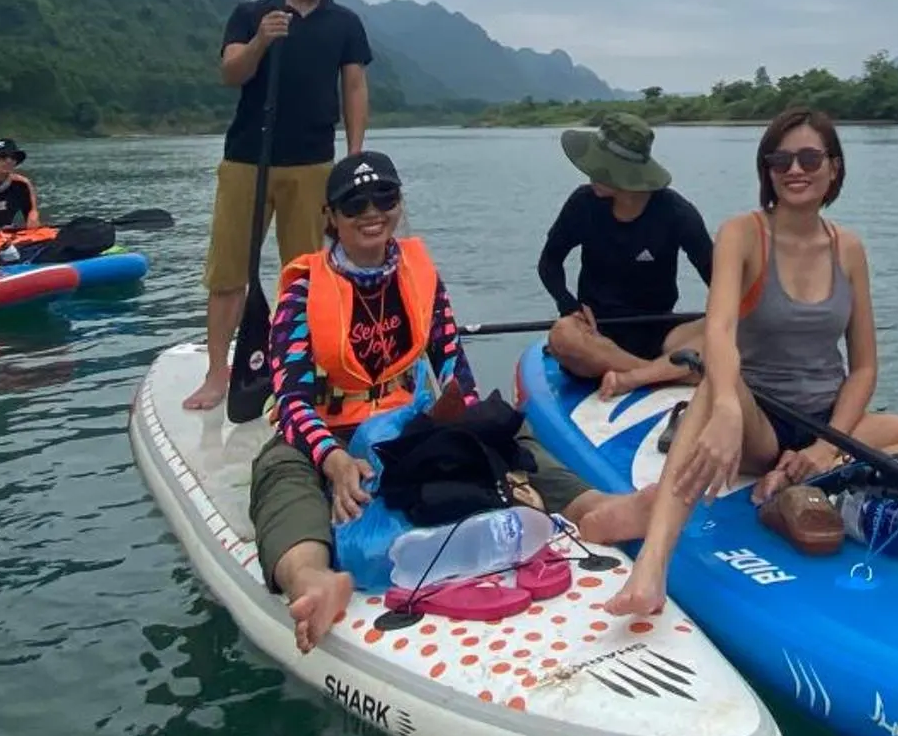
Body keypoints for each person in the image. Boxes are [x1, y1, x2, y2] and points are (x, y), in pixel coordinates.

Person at [603, 107, 898, 619]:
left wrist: (823, 447)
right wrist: (731, 406)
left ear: (834, 168)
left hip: (831, 423)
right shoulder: (743, 234)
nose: (794, 169)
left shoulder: (849, 249)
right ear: (767, 170)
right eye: (780, 159)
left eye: (809, 157)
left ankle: (817, 476)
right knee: (712, 393)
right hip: (761, 418)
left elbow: (863, 368)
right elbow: (720, 331)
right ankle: (652, 568)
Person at [249, 151, 630, 652]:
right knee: (282, 469)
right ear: (331, 217)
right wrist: (335, 459)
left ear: (399, 202)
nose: (371, 211)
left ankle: (596, 509)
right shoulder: (304, 291)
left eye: (384, 196)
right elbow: (293, 398)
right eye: (354, 202)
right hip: (332, 431)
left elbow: (453, 365)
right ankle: (314, 580)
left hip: (409, 423)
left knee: (508, 431)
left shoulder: (419, 275)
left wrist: (474, 431)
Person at [193, 0, 372, 412]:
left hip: (314, 164)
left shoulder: (344, 23)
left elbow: (354, 87)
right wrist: (262, 40)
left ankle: (310, 371)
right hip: (248, 160)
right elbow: (230, 73)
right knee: (229, 273)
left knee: (312, 272)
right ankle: (217, 375)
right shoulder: (252, 13)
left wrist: (354, 156)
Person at [538, 115, 715, 397]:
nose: (591, 173)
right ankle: (662, 374)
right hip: (599, 334)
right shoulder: (582, 204)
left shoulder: (677, 213)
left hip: (661, 331)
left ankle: (639, 376)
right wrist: (567, 304)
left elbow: (721, 286)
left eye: (602, 168)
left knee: (732, 324)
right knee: (562, 335)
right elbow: (549, 262)